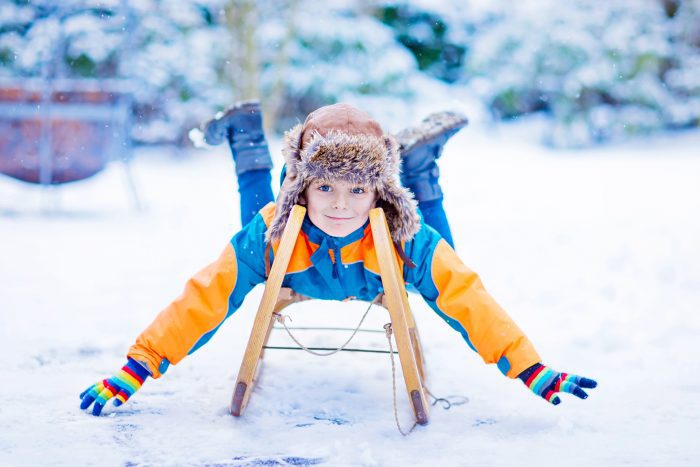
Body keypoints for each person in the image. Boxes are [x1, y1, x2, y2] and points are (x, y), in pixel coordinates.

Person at [79, 102, 597, 416]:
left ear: (378, 193)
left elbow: (468, 298)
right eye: (324, 186)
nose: (341, 204)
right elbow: (205, 296)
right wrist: (138, 366)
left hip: (374, 273)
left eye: (357, 190)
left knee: (446, 260)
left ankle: (419, 170)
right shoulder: (276, 228)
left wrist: (532, 368)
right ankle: (248, 137)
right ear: (302, 187)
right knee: (254, 227)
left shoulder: (401, 235)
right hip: (294, 263)